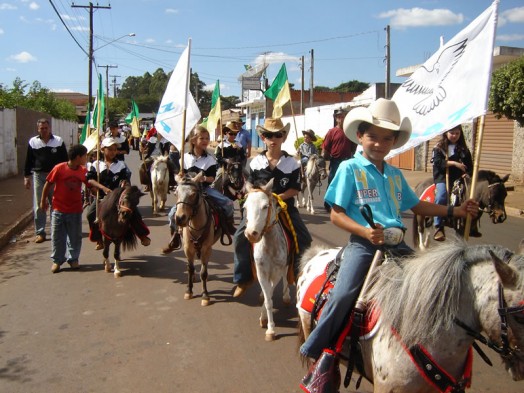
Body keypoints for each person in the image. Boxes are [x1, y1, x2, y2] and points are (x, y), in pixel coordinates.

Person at [299, 98, 480, 361]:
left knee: (432, 286)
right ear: (360, 136)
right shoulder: (350, 169)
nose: (379, 144)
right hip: (364, 245)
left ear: (394, 142)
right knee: (343, 294)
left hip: (398, 246)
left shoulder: (394, 175)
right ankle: (317, 352)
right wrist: (364, 232)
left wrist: (456, 211)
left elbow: (417, 206)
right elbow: (336, 215)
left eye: (387, 139)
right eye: (373, 137)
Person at [232, 118, 313, 298]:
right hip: (259, 208)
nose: (273, 139)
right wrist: (258, 196)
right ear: (263, 137)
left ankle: (298, 276)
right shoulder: (255, 162)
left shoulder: (292, 163)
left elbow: (294, 188)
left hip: (284, 208)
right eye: (269, 135)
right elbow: (250, 185)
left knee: (304, 238)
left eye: (277, 135)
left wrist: (276, 198)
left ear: (283, 137)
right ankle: (242, 279)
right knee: (239, 238)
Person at [161, 126, 236, 254]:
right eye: (202, 138)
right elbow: (177, 174)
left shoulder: (210, 159)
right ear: (194, 140)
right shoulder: (184, 158)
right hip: (187, 190)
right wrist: (178, 177)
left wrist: (204, 178)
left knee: (228, 204)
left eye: (207, 138)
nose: (205, 140)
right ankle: (175, 238)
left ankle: (227, 227)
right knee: (172, 214)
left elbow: (212, 178)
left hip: (204, 189)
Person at [40, 144, 108, 273]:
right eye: (84, 156)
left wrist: (99, 193)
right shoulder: (59, 168)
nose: (86, 159)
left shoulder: (83, 171)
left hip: (75, 209)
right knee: (57, 237)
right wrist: (42, 201)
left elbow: (90, 185)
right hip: (58, 209)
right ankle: (57, 260)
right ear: (78, 157)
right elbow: (47, 184)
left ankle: (73, 259)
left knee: (74, 236)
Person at [86, 137, 151, 250]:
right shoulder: (96, 164)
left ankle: (142, 236)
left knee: (134, 213)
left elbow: (125, 179)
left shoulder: (121, 164)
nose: (113, 152)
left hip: (118, 199)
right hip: (102, 197)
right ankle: (98, 239)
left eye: (115, 149)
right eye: (110, 149)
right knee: (90, 214)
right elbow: (90, 180)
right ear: (102, 149)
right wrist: (103, 188)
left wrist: (125, 184)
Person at [24, 118, 69, 243]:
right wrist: (26, 177)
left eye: (46, 128)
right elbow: (28, 160)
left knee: (56, 204)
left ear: (49, 128)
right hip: (39, 176)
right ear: (38, 129)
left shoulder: (58, 141)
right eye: (41, 128)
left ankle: (57, 230)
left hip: (55, 177)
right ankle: (40, 232)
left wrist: (66, 177)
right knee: (39, 204)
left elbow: (65, 161)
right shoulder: (33, 142)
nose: (44, 130)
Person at [431, 125, 473, 241]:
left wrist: (467, 173)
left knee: (471, 197)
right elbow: (438, 163)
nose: (454, 136)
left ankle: (471, 224)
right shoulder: (438, 148)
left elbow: (470, 166)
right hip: (443, 178)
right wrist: (454, 163)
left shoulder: (464, 149)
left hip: (459, 178)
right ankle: (438, 226)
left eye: (457, 133)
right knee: (441, 196)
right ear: (446, 133)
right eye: (452, 133)